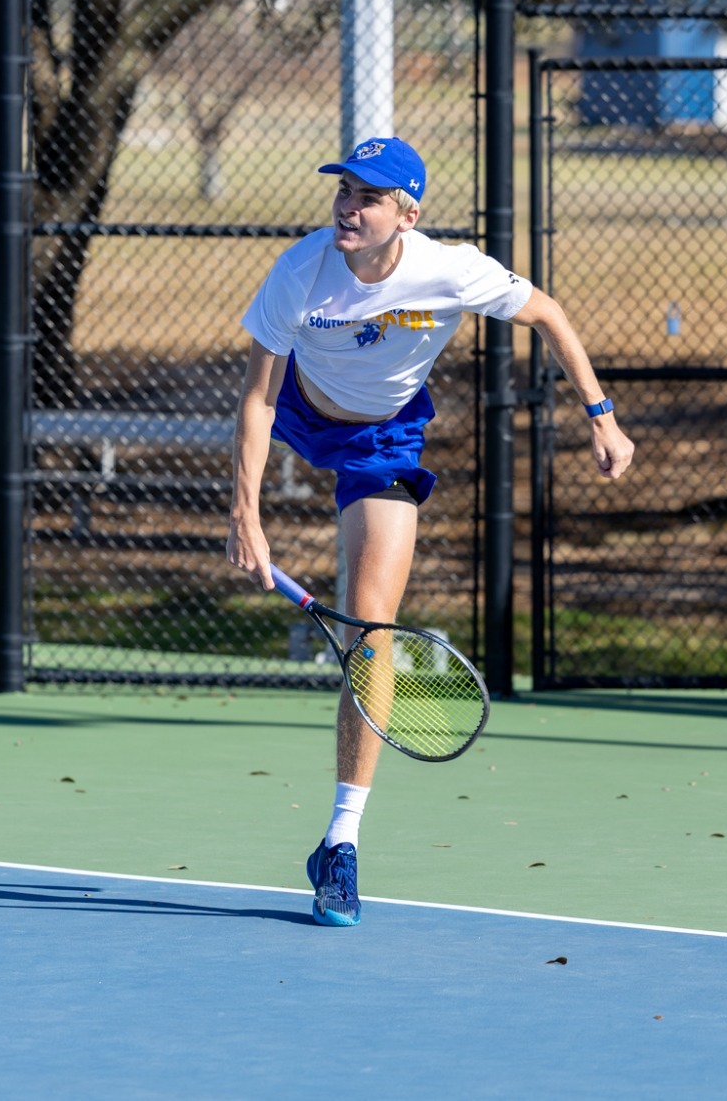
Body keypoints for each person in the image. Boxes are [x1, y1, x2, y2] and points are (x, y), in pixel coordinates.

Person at [226, 135, 634, 927]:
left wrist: (601, 415)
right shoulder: (301, 269)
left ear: (407, 214)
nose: (349, 207)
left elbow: (547, 313)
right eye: (344, 190)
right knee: (351, 598)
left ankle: (340, 842)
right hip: (302, 406)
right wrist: (246, 514)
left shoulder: (450, 269)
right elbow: (257, 399)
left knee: (371, 630)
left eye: (368, 197)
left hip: (382, 441)